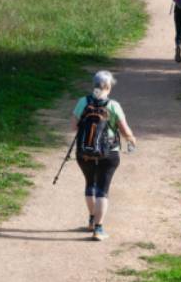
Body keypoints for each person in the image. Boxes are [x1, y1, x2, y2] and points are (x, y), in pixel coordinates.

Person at [71, 71, 136, 241]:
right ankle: (98, 230)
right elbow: (124, 129)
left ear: (94, 85)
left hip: (84, 151)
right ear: (108, 87)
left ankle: (92, 220)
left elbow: (74, 127)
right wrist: (132, 140)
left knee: (90, 184)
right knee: (102, 189)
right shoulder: (113, 105)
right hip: (109, 153)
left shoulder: (82, 102)